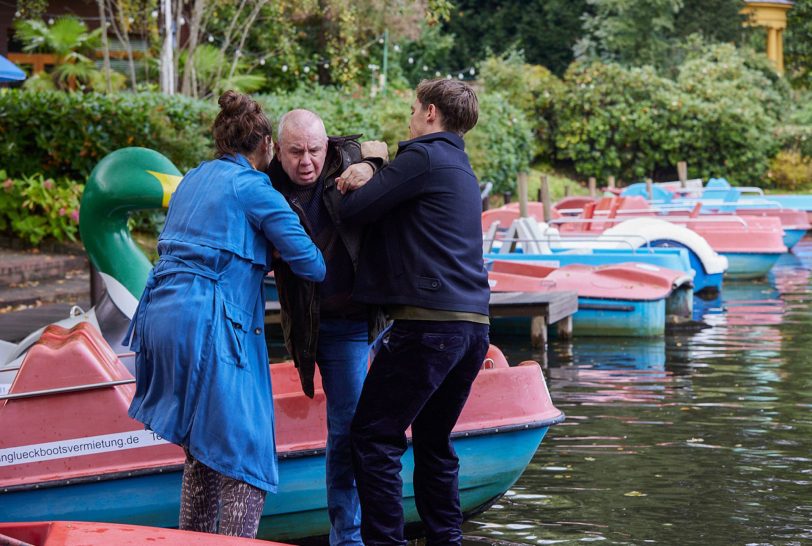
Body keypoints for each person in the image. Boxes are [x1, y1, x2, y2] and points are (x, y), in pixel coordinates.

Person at [124, 91, 326, 538]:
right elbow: (312, 263)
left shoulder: (193, 178)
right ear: (267, 146)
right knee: (246, 456)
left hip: (158, 316)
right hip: (208, 322)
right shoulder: (255, 187)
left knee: (203, 451)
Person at [339, 79, 491, 546]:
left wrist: (370, 162)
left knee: (373, 438)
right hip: (473, 328)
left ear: (429, 112)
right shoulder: (461, 165)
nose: (409, 119)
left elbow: (356, 209)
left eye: (411, 111)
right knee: (433, 442)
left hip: (429, 327)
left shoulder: (424, 156)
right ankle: (447, 540)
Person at [264, 109, 387, 545]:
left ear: (327, 146)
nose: (306, 162)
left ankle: (355, 534)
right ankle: (347, 535)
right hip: (318, 324)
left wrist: (369, 168)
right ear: (278, 150)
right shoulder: (266, 182)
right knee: (346, 430)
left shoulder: (348, 156)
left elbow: (389, 158)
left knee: (358, 429)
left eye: (314, 150)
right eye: (295, 152)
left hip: (366, 314)